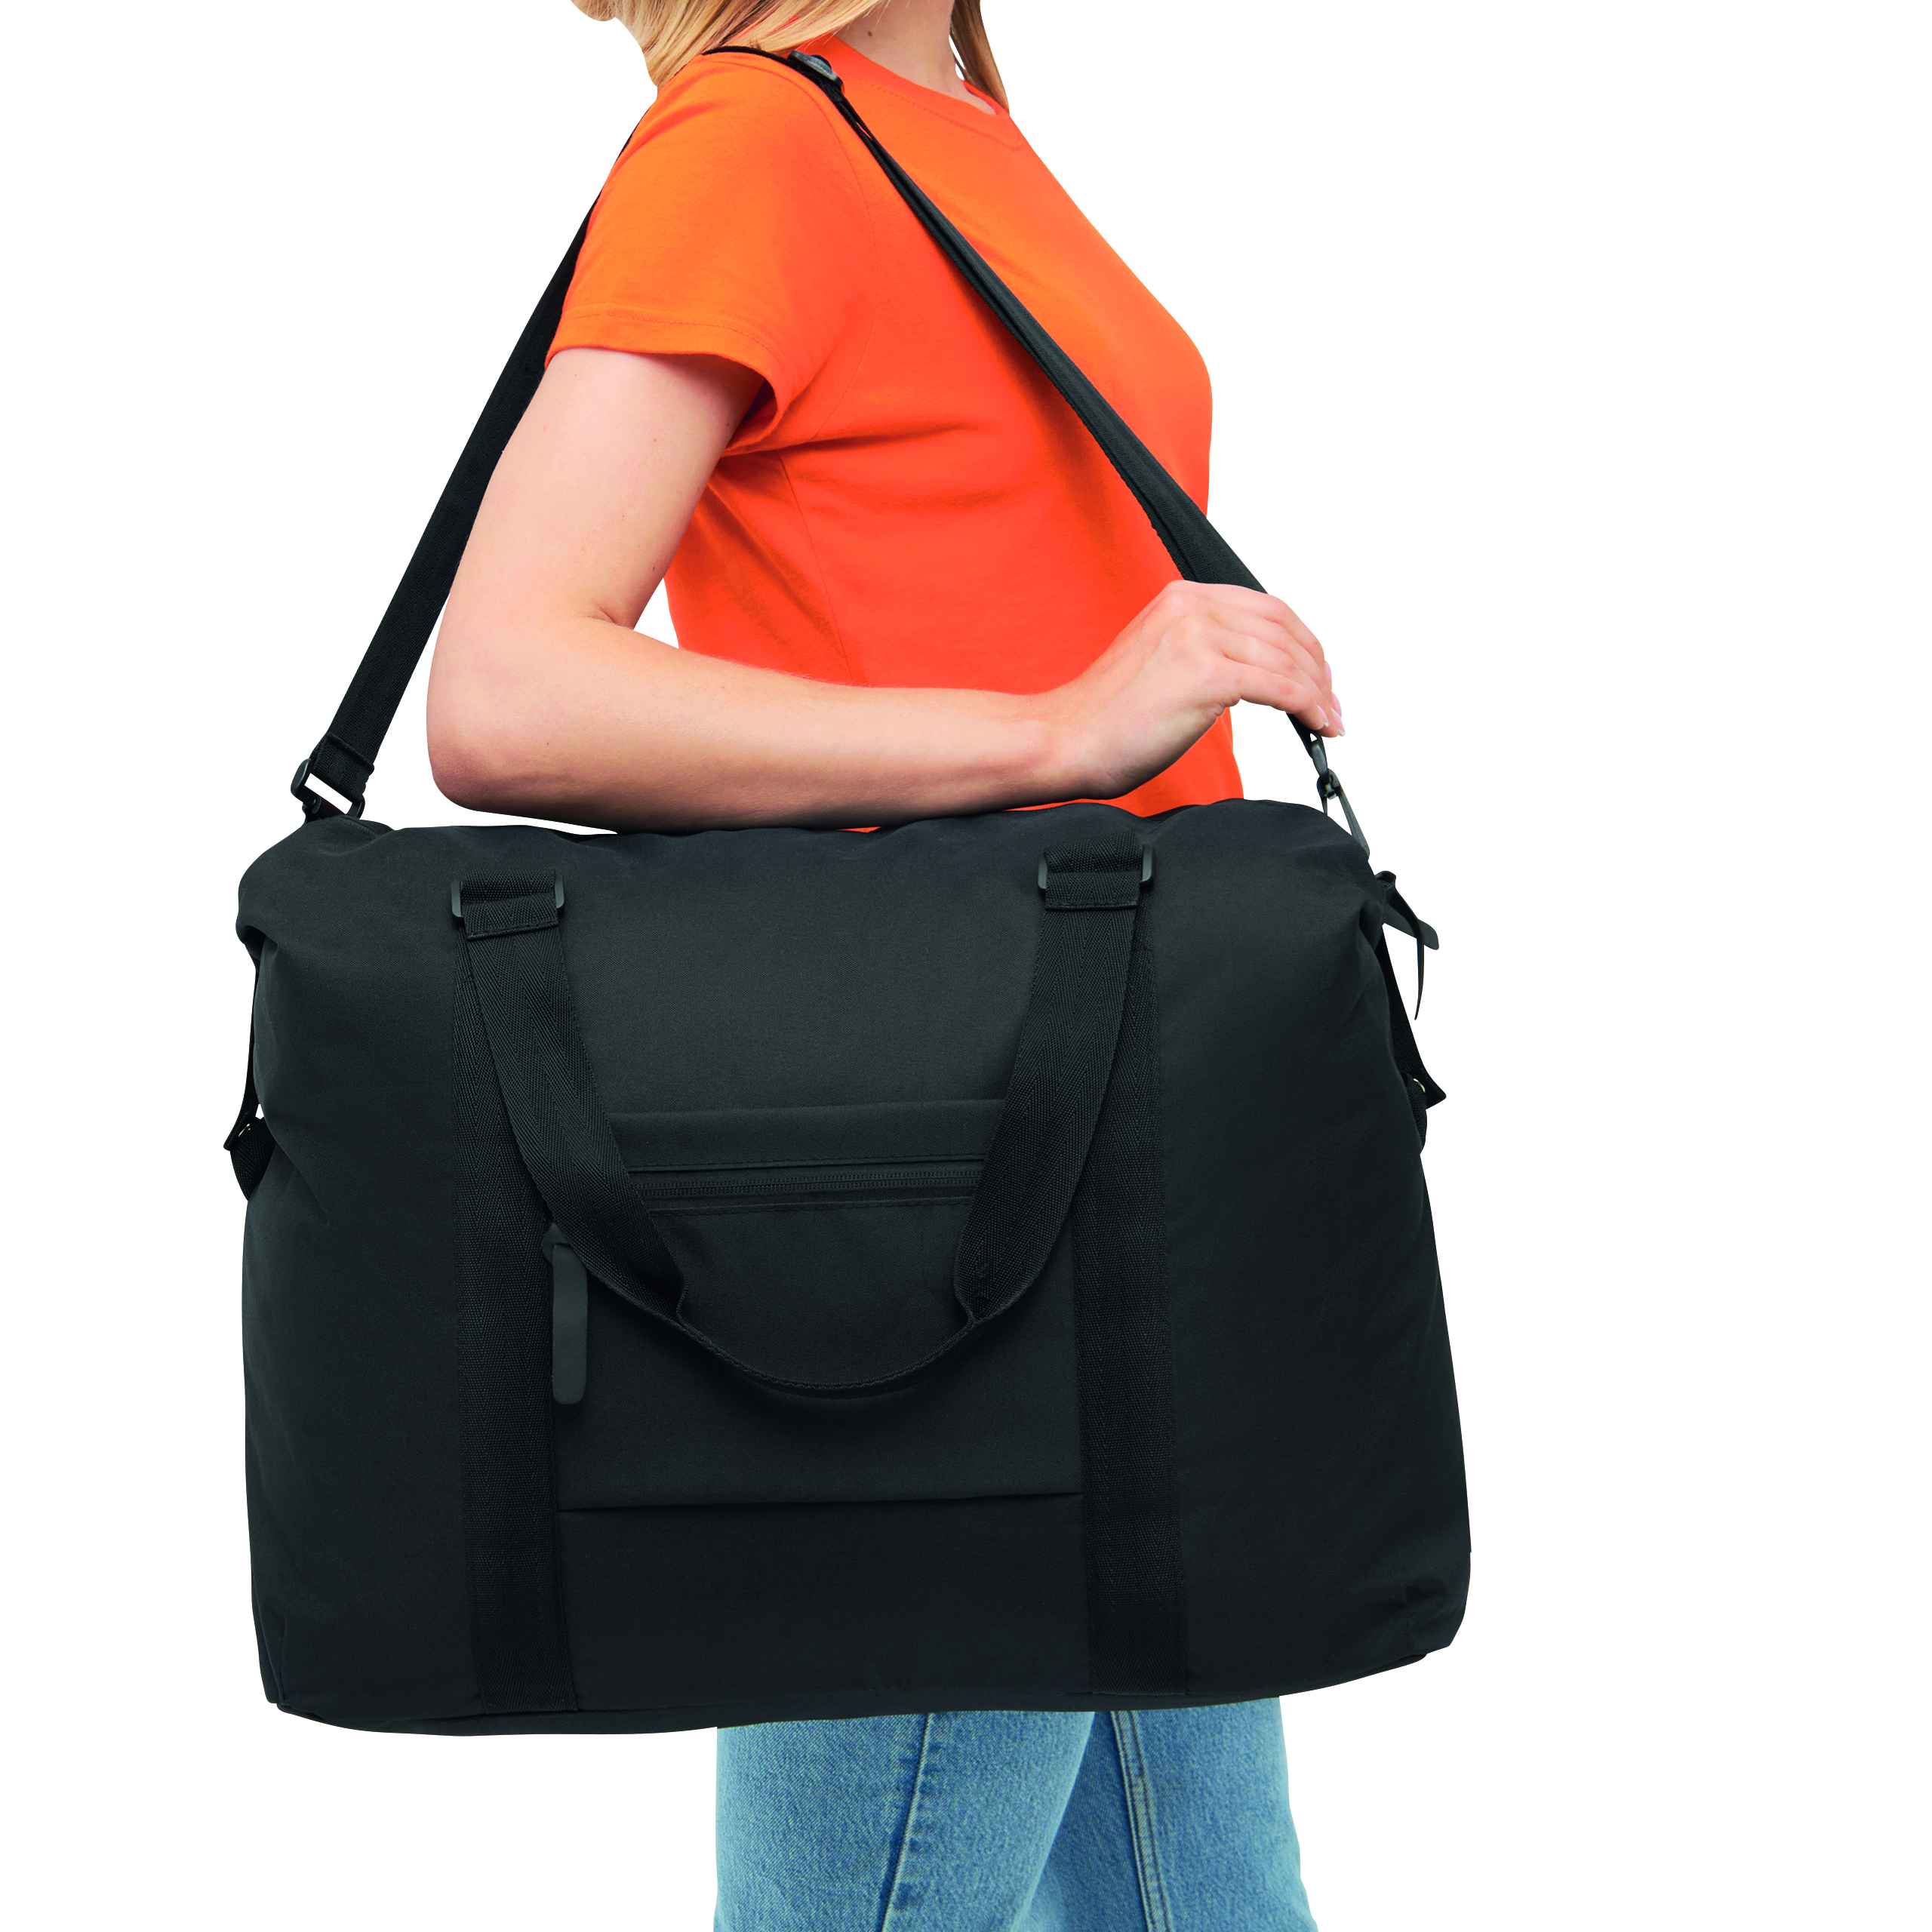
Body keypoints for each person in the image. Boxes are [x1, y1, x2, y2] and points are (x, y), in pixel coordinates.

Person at [429, 3, 1339, 1925]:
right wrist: (1050, 732)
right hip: (951, 1204)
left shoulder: (951, 113)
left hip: (1122, 1161)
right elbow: (505, 687)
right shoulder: (759, 138)